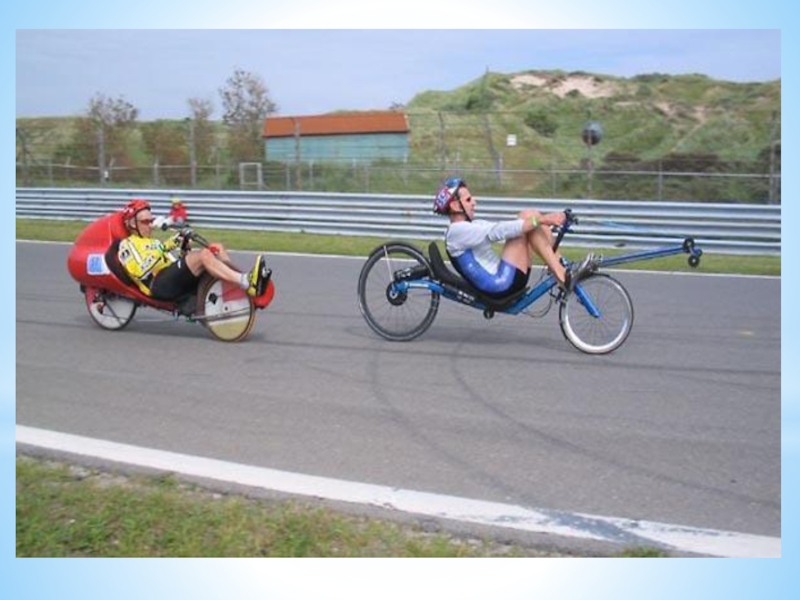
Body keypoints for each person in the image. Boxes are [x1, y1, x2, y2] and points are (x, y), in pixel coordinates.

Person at [433, 177, 598, 297]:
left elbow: (503, 228)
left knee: (530, 218)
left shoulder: (469, 226)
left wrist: (540, 222)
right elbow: (497, 231)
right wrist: (543, 219)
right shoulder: (457, 231)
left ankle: (562, 267)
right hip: (501, 284)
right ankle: (562, 276)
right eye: (468, 199)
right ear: (455, 205)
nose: (474, 202)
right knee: (530, 218)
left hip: (506, 278)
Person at [117, 199, 268, 301]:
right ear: (132, 224)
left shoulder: (153, 242)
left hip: (169, 278)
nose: (150, 225)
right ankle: (245, 281)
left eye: (151, 220)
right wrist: (164, 247)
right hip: (157, 285)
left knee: (217, 248)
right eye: (145, 222)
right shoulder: (127, 245)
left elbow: (176, 264)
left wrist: (183, 249)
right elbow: (139, 271)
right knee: (202, 255)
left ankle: (235, 286)